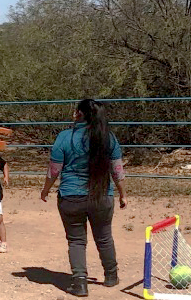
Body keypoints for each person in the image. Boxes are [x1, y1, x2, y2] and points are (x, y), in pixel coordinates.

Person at [40, 99, 127, 297]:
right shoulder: (108, 138)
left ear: (79, 114)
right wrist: (123, 194)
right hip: (101, 197)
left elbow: (54, 170)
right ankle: (111, 276)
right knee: (104, 237)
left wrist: (45, 190)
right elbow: (117, 170)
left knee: (76, 240)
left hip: (70, 197)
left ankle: (80, 283)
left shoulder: (64, 137)